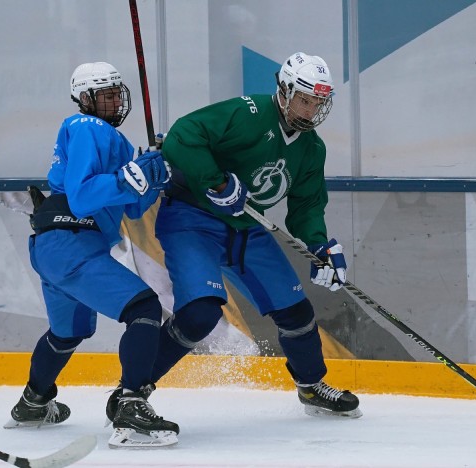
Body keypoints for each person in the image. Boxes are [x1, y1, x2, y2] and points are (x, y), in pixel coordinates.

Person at [106, 51, 361, 421]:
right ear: (285, 90)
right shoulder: (249, 113)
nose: (310, 111)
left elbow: (306, 206)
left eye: (318, 103)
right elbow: (183, 134)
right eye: (305, 100)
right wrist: (216, 182)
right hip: (193, 218)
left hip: (245, 227)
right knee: (200, 313)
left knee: (296, 312)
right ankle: (133, 392)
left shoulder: (311, 148)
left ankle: (311, 385)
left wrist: (319, 243)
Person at [6, 62, 179, 448]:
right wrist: (130, 175)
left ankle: (33, 403)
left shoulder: (111, 140)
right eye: (106, 95)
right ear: (85, 100)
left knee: (69, 332)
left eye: (117, 93)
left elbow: (131, 209)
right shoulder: (87, 127)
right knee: (145, 309)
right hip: (72, 243)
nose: (115, 100)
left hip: (57, 248)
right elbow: (83, 196)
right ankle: (132, 406)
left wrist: (153, 176)